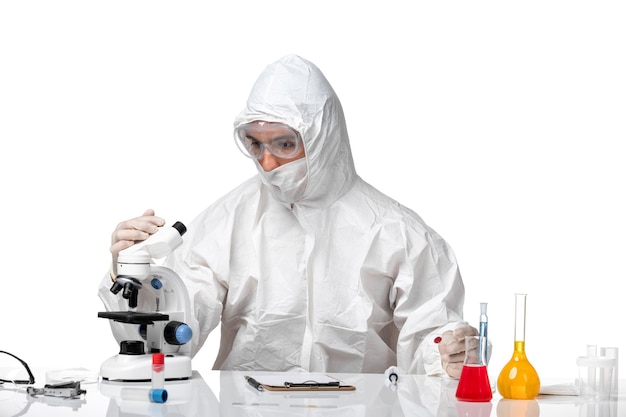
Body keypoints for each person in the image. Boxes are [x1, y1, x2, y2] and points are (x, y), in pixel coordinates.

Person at [100, 54, 478, 378]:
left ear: (322, 138)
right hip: (246, 409)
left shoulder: (397, 233)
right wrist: (134, 273)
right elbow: (172, 335)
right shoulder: (229, 220)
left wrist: (444, 354)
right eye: (255, 144)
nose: (267, 162)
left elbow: (432, 336)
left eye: (284, 144)